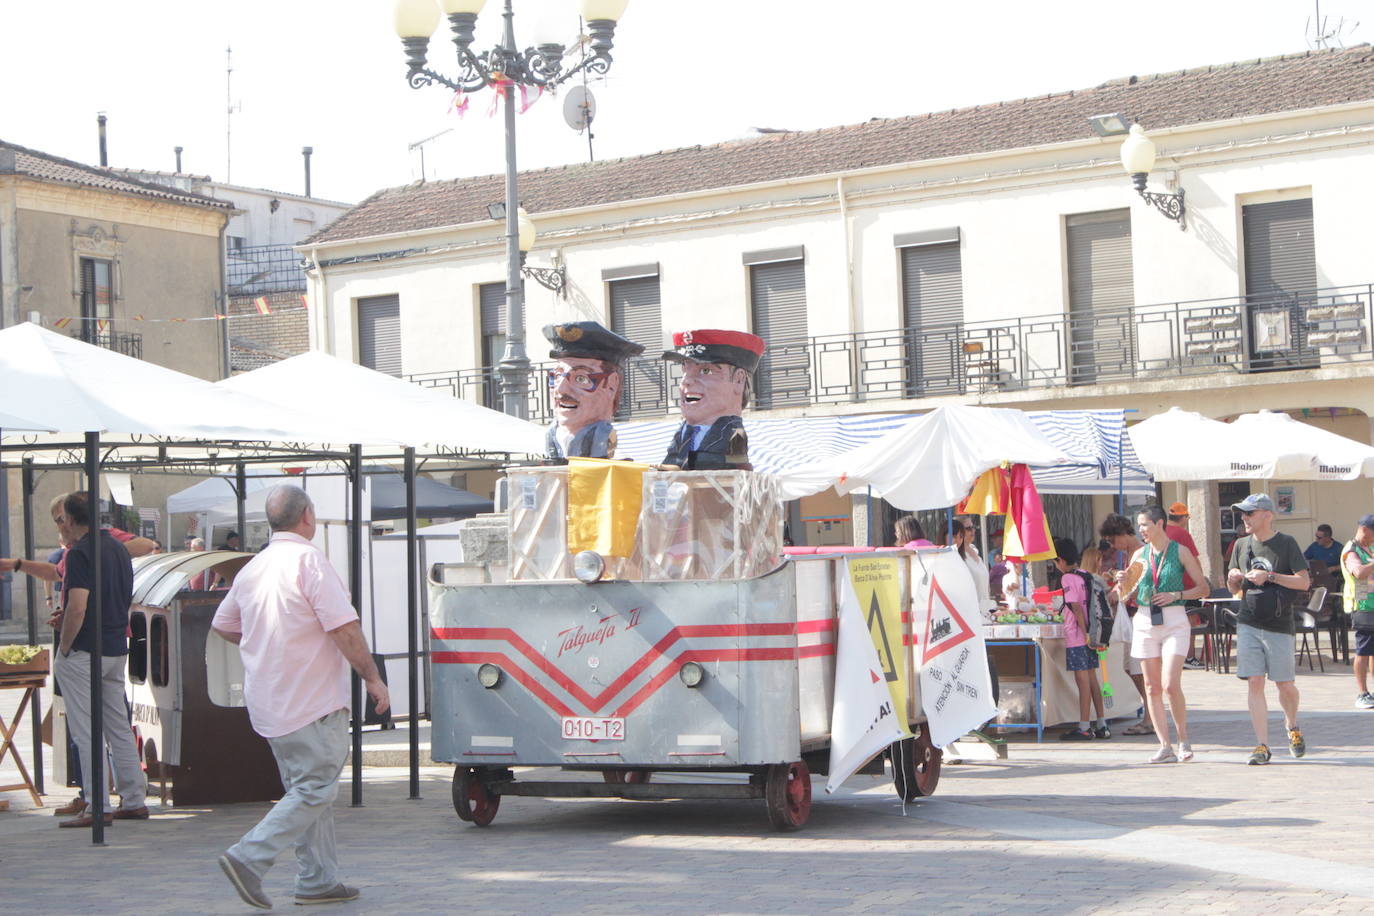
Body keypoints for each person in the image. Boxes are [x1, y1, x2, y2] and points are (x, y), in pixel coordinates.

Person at [212, 485, 390, 909]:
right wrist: (372, 677)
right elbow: (343, 627)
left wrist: (269, 642)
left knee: (307, 791)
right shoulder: (309, 561)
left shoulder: (254, 567)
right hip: (311, 700)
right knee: (315, 790)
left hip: (270, 701)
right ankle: (249, 857)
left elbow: (224, 624)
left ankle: (317, 879)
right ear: (307, 516)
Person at [46, 492, 148, 827]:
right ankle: (134, 798)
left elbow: (78, 606)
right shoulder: (117, 548)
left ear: (70, 520)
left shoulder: (80, 553)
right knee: (117, 725)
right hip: (115, 646)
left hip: (86, 649)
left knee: (87, 730)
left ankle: (97, 805)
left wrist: (64, 646)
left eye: (61, 520)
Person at [1115, 505, 1209, 764]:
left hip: (1174, 619)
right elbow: (1126, 594)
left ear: (1159, 524)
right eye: (1139, 525)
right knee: (1151, 686)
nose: (1141, 530)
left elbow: (1203, 588)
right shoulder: (1139, 555)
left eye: (1145, 524)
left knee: (1170, 684)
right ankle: (1164, 745)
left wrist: (1176, 595)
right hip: (1145, 619)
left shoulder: (1180, 551)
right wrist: (1123, 581)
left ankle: (1183, 739)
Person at [1225, 492, 1310, 766]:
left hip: (1279, 624)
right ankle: (1262, 745)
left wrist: (1270, 576)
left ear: (1267, 515)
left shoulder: (1286, 543)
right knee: (1255, 681)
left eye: (1250, 513)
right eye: (1243, 513)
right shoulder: (1241, 545)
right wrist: (1233, 579)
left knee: (1285, 685)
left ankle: (1292, 725)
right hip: (1248, 621)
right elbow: (1234, 589)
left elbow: (1303, 582)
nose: (1244, 518)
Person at [660, 329, 765, 469]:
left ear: (739, 380)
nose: (686, 381)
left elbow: (735, 472)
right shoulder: (682, 434)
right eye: (684, 370)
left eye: (706, 371)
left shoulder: (734, 434)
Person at [541, 321, 645, 460]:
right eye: (558, 376)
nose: (561, 389)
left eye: (581, 379)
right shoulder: (551, 434)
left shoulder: (600, 436)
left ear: (611, 384)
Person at [1099, 512, 1154, 737]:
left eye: (1112, 540)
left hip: (1140, 615)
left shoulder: (1142, 553)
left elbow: (1139, 583)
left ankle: (1150, 718)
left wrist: (1119, 589)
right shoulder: (1128, 555)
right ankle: (1150, 715)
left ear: (1122, 533)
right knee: (1131, 668)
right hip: (1131, 616)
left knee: (1139, 670)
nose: (1112, 546)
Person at [1052, 538, 1110, 741]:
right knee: (1092, 679)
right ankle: (1102, 724)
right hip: (1093, 634)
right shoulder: (1086, 574)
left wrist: (1084, 632)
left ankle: (1084, 726)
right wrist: (1091, 634)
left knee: (1082, 681)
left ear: (1060, 560)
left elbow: (1075, 607)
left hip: (1078, 635)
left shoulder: (1067, 578)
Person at [1340, 514, 1374, 709]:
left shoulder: (1369, 548)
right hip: (1362, 606)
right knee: (1363, 651)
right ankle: (1362, 693)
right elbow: (1359, 573)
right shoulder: (1351, 550)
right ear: (1365, 529)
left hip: (1372, 605)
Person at [1166, 501, 1206, 670]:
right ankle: (1189, 657)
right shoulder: (1182, 533)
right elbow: (1194, 559)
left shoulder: (1161, 532)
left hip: (1168, 585)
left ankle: (1174, 656)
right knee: (1190, 622)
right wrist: (1202, 580)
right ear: (1183, 518)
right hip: (1187, 585)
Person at [952, 516, 994, 621]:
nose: (973, 531)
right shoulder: (956, 556)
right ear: (959, 532)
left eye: (973, 527)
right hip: (969, 613)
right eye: (968, 528)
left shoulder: (975, 551)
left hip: (985, 611)